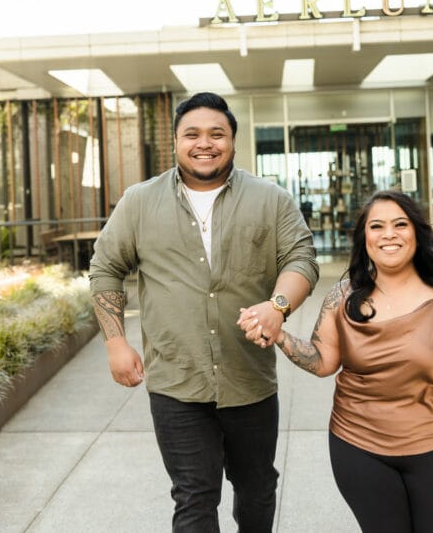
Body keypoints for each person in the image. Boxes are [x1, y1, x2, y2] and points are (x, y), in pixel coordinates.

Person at [89, 91, 319, 532]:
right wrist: (116, 343)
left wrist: (279, 306)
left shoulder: (270, 199)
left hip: (249, 380)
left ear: (233, 140)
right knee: (194, 496)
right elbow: (105, 268)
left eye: (217, 133)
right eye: (191, 134)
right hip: (176, 382)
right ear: (175, 142)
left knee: (256, 489)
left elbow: (301, 258)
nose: (205, 143)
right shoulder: (139, 202)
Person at [238, 189, 433, 532]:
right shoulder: (342, 298)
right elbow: (323, 361)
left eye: (400, 224)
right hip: (358, 445)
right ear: (364, 237)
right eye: (377, 226)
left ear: (416, 232)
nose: (389, 235)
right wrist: (278, 335)